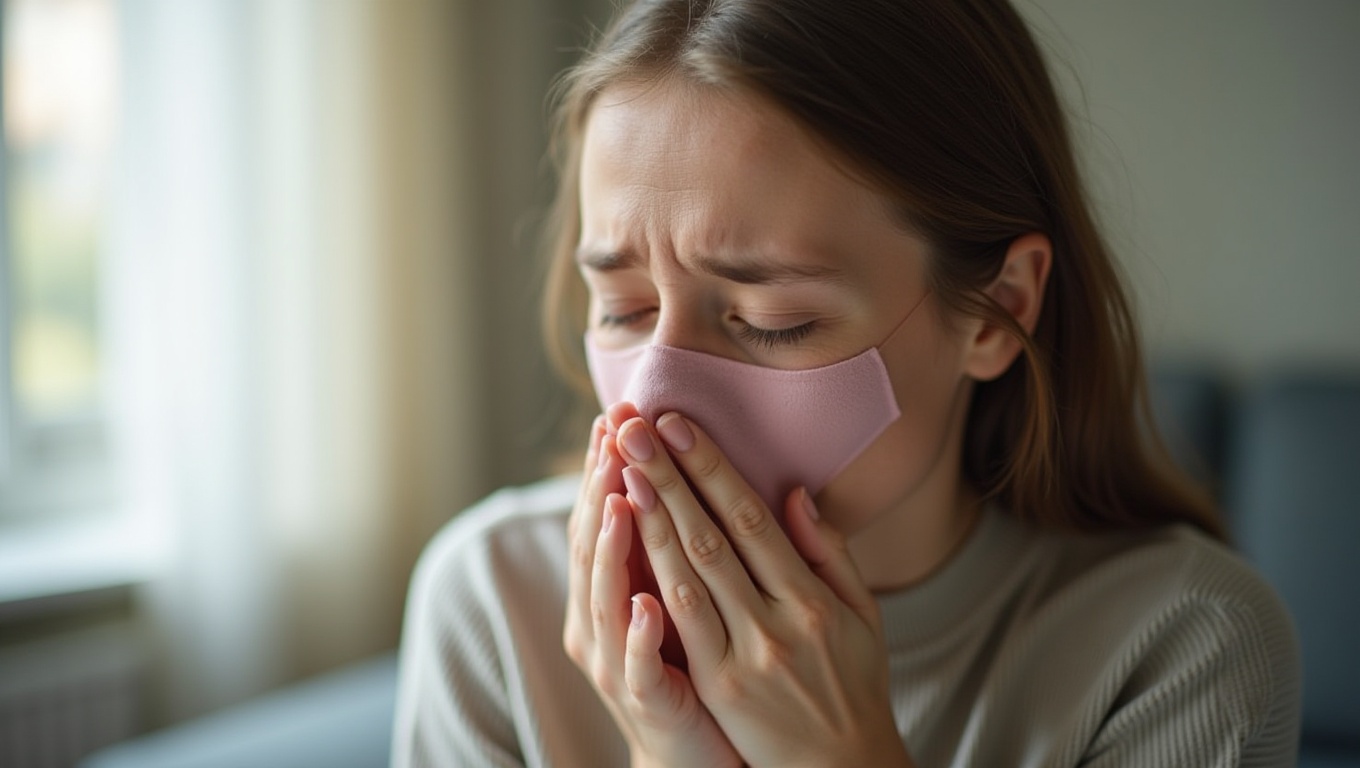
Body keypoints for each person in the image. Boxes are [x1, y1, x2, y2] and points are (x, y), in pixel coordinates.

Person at [391, 0, 1301, 765]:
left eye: (771, 321)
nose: (656, 398)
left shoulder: (1182, 647)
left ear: (995, 310)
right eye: (624, 309)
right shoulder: (493, 601)